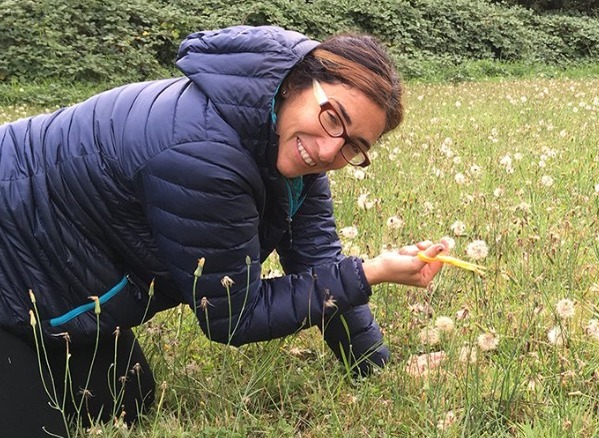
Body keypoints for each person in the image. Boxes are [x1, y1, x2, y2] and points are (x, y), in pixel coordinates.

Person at [0, 25, 449, 435]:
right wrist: (369, 273)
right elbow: (234, 316)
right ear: (295, 83)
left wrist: (371, 365)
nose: (331, 149)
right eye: (333, 117)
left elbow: (318, 259)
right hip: (10, 253)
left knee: (125, 401)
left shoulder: (285, 145)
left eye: (354, 146)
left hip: (53, 270)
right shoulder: (205, 155)